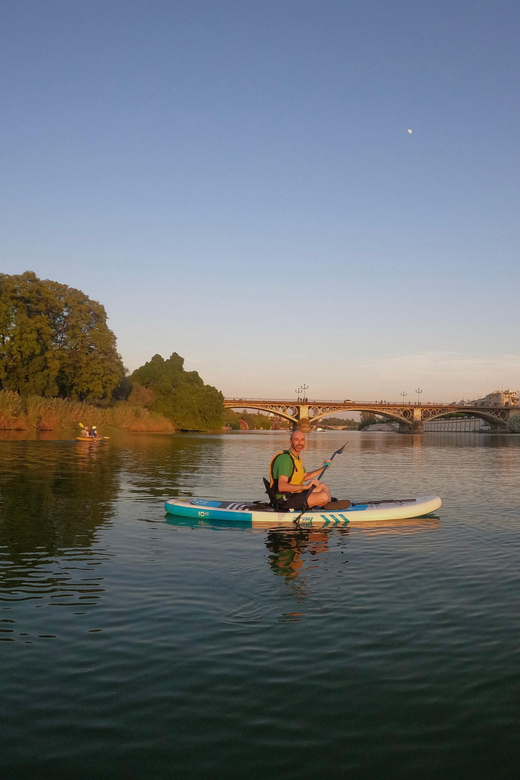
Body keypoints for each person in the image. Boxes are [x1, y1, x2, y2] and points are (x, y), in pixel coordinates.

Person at [269, 430, 333, 510]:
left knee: (323, 486)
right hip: (284, 500)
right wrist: (305, 487)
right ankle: (323, 502)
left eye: (302, 440)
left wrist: (324, 467)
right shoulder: (285, 459)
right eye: (296, 440)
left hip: (295, 494)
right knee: (323, 497)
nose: (300, 443)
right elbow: (281, 486)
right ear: (290, 441)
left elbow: (305, 476)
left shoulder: (296, 458)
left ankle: (328, 505)